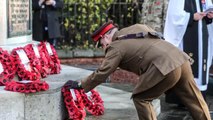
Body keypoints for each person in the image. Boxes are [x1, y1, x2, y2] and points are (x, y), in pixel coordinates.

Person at [64, 21, 211, 120]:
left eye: (101, 43)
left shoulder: (116, 47)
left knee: (141, 98)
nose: (103, 47)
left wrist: (81, 85)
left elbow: (102, 72)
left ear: (106, 36)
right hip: (180, 58)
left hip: (164, 67)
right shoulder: (137, 27)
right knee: (194, 98)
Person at [164, 0, 213, 101]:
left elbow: (208, 7)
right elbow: (174, 16)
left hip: (202, 35)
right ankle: (182, 99)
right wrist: (191, 17)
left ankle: (198, 97)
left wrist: (209, 15)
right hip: (187, 34)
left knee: (200, 68)